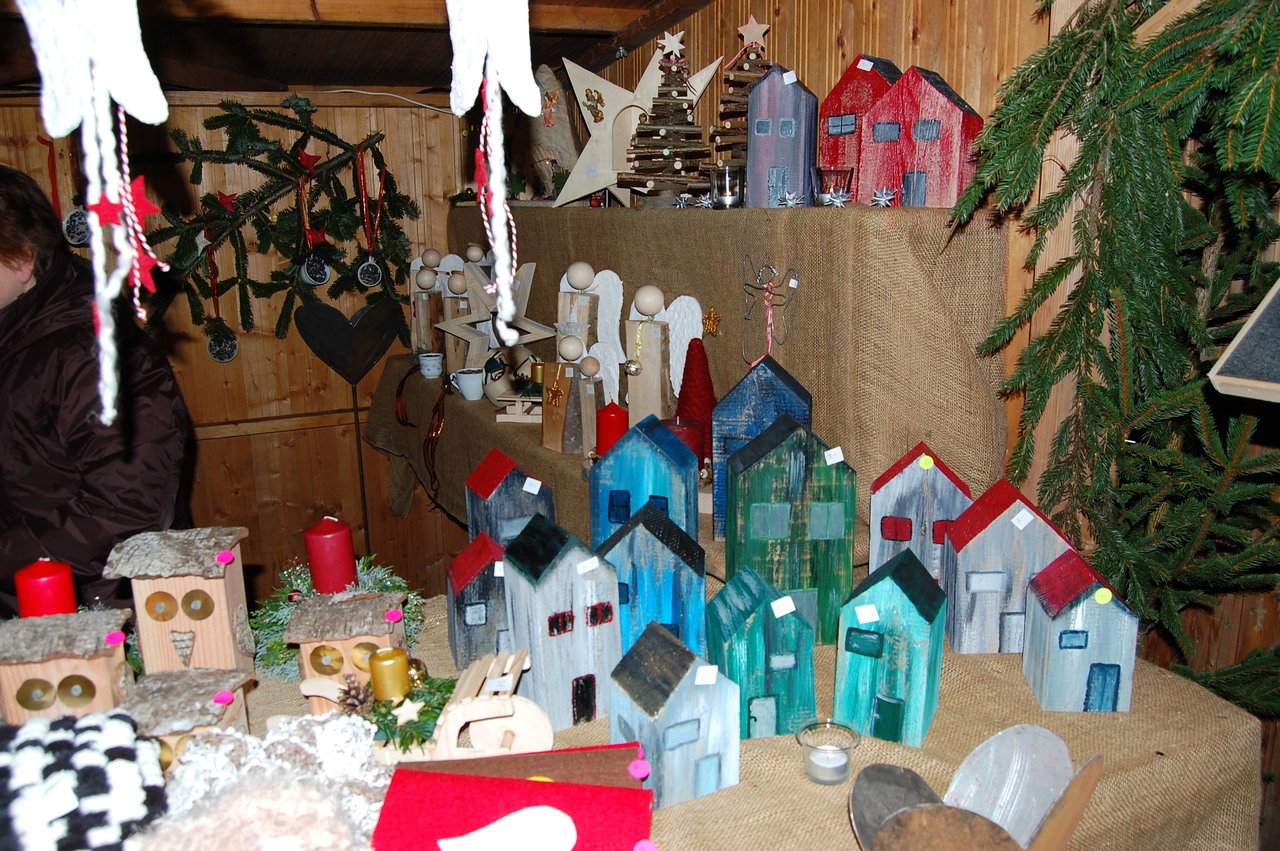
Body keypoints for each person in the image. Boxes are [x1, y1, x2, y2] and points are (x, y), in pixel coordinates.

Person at [0, 164, 191, 616]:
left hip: (100, 612)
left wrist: (5, 558)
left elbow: (128, 508)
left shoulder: (95, 351)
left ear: (23, 259)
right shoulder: (16, 335)